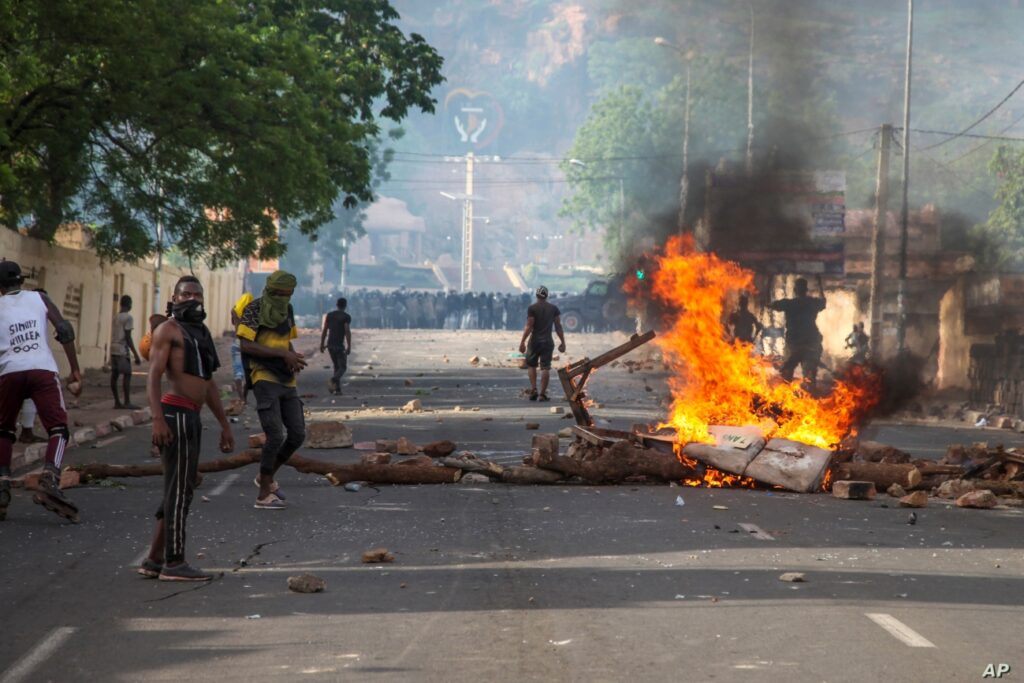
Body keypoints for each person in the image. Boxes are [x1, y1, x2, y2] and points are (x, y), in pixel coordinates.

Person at [139, 275, 233, 581]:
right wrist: (157, 419)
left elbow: (208, 384)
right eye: (186, 294)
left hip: (193, 416)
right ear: (175, 298)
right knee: (180, 491)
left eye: (197, 294)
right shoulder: (168, 330)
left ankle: (153, 559)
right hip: (174, 413)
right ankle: (174, 563)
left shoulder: (201, 332)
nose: (192, 298)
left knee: (181, 486)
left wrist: (224, 425)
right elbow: (153, 375)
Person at [0, 261, 83, 522]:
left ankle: (2, 488)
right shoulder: (39, 298)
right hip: (41, 369)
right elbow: (65, 330)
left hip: (9, 371)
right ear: (21, 281)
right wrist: (75, 370)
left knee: (3, 430)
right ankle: (50, 477)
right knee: (58, 429)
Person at [237, 270, 306, 510]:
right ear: (270, 290)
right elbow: (245, 345)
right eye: (279, 294)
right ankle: (263, 494)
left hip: (286, 379)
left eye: (287, 295)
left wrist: (292, 357)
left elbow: (286, 340)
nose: (283, 298)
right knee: (275, 434)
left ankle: (265, 476)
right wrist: (281, 354)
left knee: (297, 434)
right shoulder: (254, 310)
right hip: (263, 376)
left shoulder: (287, 310)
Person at [768, 277, 827, 386]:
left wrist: (768, 286)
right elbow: (823, 302)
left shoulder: (789, 303)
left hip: (793, 343)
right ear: (806, 290)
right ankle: (810, 395)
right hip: (811, 342)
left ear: (795, 290)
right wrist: (819, 285)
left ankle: (786, 395)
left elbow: (772, 305)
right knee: (809, 376)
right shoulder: (812, 302)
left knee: (787, 374)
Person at [518, 285, 566, 402]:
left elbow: (529, 326)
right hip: (547, 341)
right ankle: (542, 395)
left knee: (532, 365)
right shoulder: (553, 308)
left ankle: (534, 390)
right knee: (545, 367)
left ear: (537, 295)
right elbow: (558, 326)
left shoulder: (532, 308)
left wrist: (522, 341)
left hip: (534, 341)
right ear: (547, 295)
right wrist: (562, 342)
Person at [110, 294, 142, 409]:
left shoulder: (115, 317)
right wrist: (136, 355)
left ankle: (117, 402)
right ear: (129, 305)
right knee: (127, 374)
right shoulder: (128, 318)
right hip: (122, 349)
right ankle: (127, 401)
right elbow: (128, 337)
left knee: (114, 375)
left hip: (113, 347)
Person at [320, 297, 351, 395]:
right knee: (342, 367)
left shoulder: (330, 315)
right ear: (345, 306)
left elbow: (325, 330)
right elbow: (347, 331)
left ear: (337, 305)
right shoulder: (346, 317)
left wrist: (322, 343)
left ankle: (337, 389)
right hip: (339, 345)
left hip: (330, 345)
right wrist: (349, 345)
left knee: (336, 367)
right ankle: (333, 380)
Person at [230, 291, 253, 402]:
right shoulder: (251, 313)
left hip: (236, 342)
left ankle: (241, 398)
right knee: (247, 370)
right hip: (247, 343)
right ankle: (245, 396)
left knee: (237, 372)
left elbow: (232, 323)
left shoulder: (234, 312)